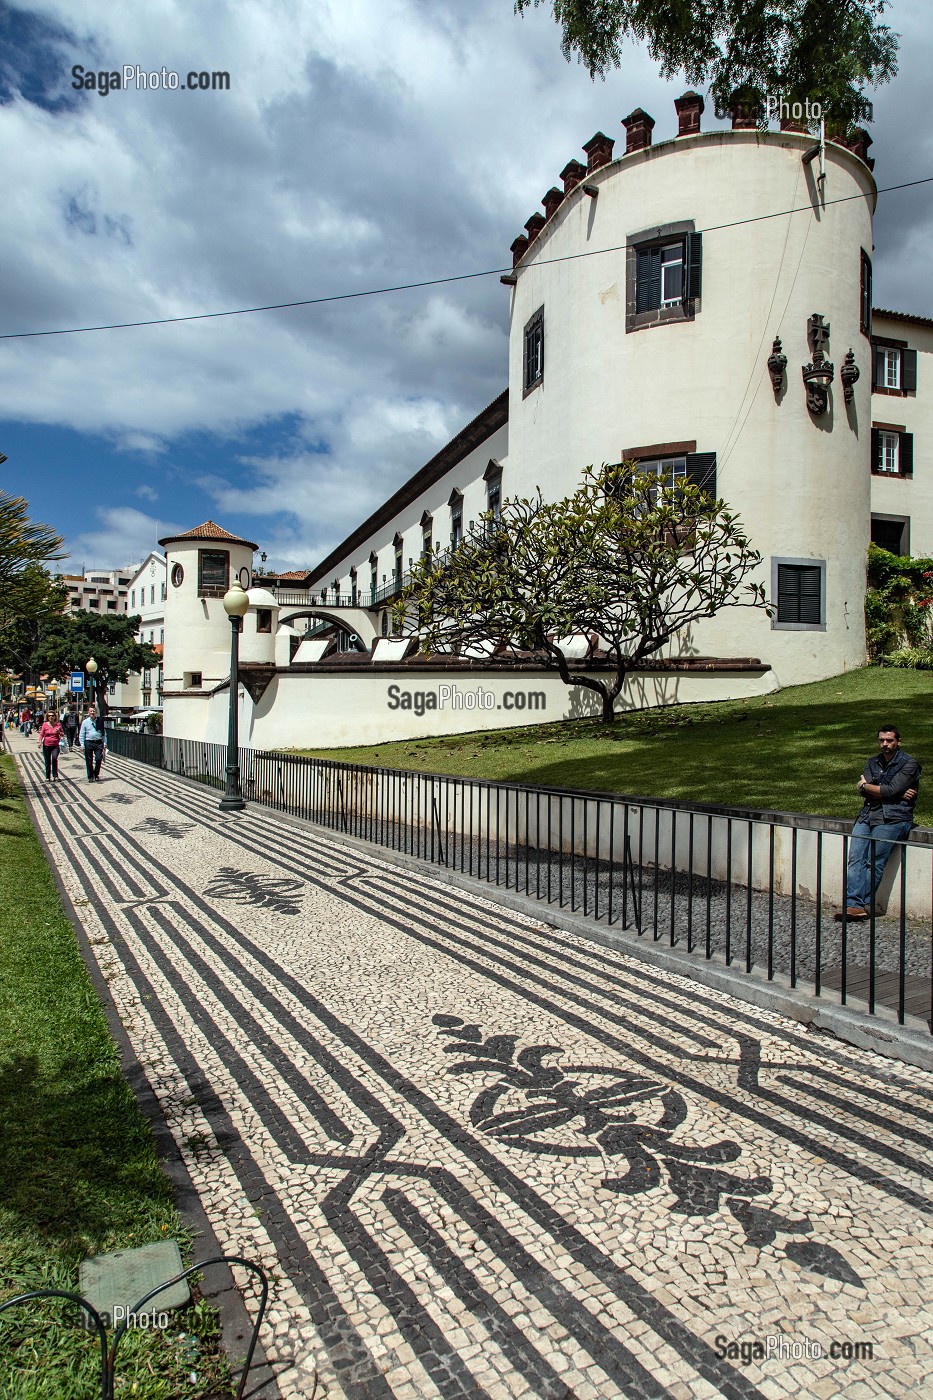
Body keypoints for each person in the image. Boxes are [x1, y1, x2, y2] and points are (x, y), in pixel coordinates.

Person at [837, 725, 920, 920]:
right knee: (855, 858)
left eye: (889, 740)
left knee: (873, 861)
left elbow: (882, 789)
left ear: (899, 741)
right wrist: (894, 790)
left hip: (893, 817)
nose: (885, 744)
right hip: (867, 814)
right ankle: (853, 904)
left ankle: (860, 905)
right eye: (882, 740)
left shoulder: (909, 764)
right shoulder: (872, 762)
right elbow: (873, 789)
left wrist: (873, 787)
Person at [78, 705, 107, 783]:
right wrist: (82, 744)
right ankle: (90, 776)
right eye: (91, 711)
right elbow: (81, 734)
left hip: (98, 742)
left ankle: (96, 774)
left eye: (94, 711)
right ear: (88, 712)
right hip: (88, 742)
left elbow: (103, 733)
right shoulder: (85, 722)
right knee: (89, 760)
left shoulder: (100, 721)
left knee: (98, 759)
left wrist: (104, 743)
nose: (92, 712)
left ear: (96, 712)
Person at [38, 709, 65, 782]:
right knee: (47, 761)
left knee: (54, 758)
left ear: (55, 717)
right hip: (46, 745)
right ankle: (47, 777)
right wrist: (40, 742)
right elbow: (41, 734)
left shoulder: (58, 724)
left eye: (52, 716)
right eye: (49, 716)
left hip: (55, 745)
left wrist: (59, 732)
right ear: (47, 717)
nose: (51, 717)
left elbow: (63, 734)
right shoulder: (45, 725)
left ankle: (55, 776)